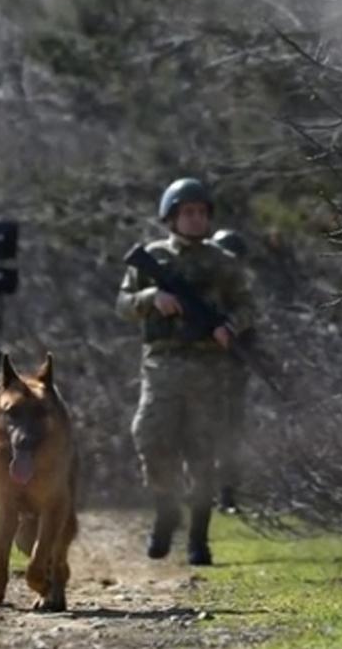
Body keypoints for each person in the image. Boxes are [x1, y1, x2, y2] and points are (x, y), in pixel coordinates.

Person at [116, 178, 254, 566]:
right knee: (150, 437)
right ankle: (165, 508)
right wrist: (151, 298)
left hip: (209, 368)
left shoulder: (223, 263)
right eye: (187, 213)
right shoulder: (153, 257)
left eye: (201, 213)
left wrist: (231, 327)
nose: (195, 220)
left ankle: (198, 538)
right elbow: (123, 304)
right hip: (162, 364)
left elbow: (247, 305)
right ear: (171, 217)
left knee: (202, 452)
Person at [209, 228, 251, 514]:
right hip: (200, 371)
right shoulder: (204, 290)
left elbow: (250, 327)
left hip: (232, 373)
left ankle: (227, 494)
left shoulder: (240, 295)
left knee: (230, 435)